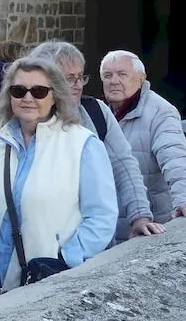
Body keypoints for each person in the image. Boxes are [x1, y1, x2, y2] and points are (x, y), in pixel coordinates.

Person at [0, 56, 118, 293]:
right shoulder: (1, 140)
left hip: (44, 281)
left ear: (55, 95)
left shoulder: (82, 144)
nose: (28, 98)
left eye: (39, 91)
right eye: (19, 90)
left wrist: (64, 258)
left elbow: (102, 216)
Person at [27, 41, 157, 241]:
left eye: (81, 77)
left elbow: (124, 165)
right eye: (70, 79)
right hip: (39, 238)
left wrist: (140, 216)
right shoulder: (26, 120)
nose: (78, 85)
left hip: (95, 236)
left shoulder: (96, 111)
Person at [100, 50, 186, 230]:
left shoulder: (160, 112)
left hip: (147, 224)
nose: (114, 81)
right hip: (107, 223)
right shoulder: (98, 111)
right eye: (108, 75)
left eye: (122, 74)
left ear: (140, 79)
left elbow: (175, 156)